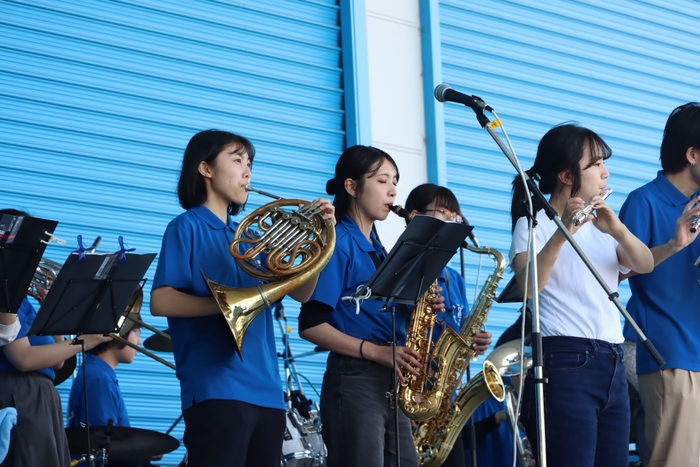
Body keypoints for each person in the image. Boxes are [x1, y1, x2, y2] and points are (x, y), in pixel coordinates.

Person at [150, 129, 334, 467]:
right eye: (237, 161)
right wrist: (227, 308)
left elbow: (302, 292)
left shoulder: (249, 234)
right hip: (215, 386)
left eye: (249, 164)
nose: (247, 172)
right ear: (206, 169)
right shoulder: (185, 226)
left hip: (268, 390)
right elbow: (160, 301)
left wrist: (318, 239)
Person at [509, 123, 654, 466]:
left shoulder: (602, 226)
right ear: (566, 175)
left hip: (612, 360)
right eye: (595, 164)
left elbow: (645, 264)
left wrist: (617, 229)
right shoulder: (533, 224)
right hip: (567, 360)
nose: (605, 173)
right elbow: (528, 287)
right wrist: (563, 232)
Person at [298, 145, 423, 467]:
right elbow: (310, 325)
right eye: (382, 180)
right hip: (356, 378)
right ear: (352, 186)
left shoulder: (379, 250)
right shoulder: (338, 243)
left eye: (395, 181)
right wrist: (376, 351)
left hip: (390, 377)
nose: (393, 190)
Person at [618, 102, 700, 467]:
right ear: (692, 155)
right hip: (670, 353)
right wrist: (673, 245)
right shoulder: (644, 201)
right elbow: (619, 271)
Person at [0, 208, 112, 467]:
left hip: (41, 399)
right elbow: (24, 359)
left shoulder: (22, 301)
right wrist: (84, 341)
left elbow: (58, 362)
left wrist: (51, 313)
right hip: (19, 397)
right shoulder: (7, 297)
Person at [403, 183, 494, 467]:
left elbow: (458, 333)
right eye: (443, 212)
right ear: (415, 216)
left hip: (442, 401)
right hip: (411, 393)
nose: (454, 220)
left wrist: (475, 340)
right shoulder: (401, 268)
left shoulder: (455, 279)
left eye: (456, 215)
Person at [67, 287, 144, 429]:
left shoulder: (97, 374)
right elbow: (102, 438)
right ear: (120, 331)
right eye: (137, 331)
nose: (139, 341)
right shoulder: (98, 378)